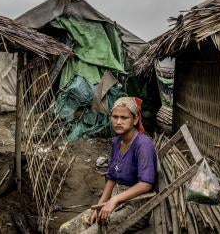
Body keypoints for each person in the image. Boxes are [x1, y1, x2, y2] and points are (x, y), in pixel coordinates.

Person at [59, 97, 158, 233]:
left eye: (124, 118)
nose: (118, 122)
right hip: (115, 202)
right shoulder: (118, 142)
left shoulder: (143, 145)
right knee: (65, 229)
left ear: (135, 120)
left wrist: (114, 200)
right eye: (115, 117)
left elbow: (146, 184)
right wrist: (100, 206)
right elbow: (111, 178)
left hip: (135, 206)